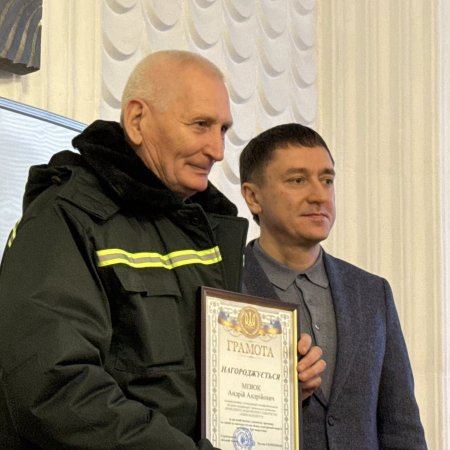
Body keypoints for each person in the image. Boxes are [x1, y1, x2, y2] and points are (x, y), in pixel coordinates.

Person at [0, 51, 323, 449]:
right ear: (138, 120)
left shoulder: (201, 228)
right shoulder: (66, 218)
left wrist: (276, 383)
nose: (218, 150)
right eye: (200, 125)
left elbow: (196, 384)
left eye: (223, 129)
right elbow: (56, 389)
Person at [239, 123, 427, 450]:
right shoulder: (225, 288)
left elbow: (402, 426)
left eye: (326, 180)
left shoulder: (371, 292)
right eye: (297, 180)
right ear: (253, 197)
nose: (319, 195)